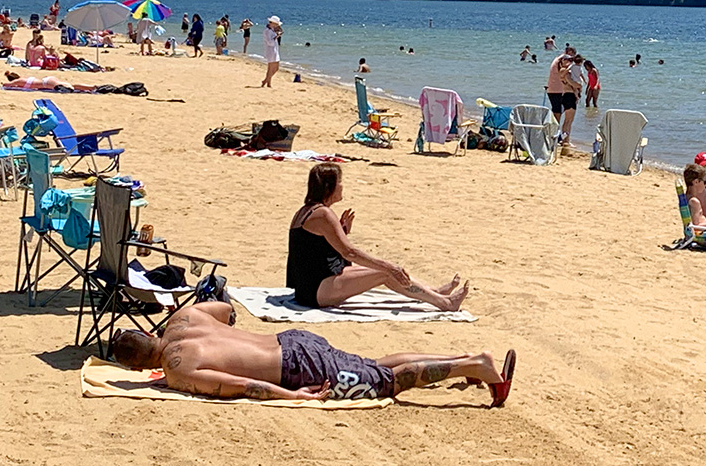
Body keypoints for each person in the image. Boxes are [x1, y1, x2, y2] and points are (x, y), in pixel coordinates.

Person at [109, 302, 514, 406]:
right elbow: (226, 311)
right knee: (373, 366)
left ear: (145, 367)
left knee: (385, 385)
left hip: (295, 369)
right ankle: (465, 359)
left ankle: (475, 365)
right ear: (148, 332)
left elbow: (237, 385)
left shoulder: (179, 371)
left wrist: (291, 395)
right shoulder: (182, 318)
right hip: (294, 340)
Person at [288, 164, 468, 311]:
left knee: (384, 269)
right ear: (329, 187)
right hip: (315, 291)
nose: (342, 186)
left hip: (309, 286)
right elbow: (349, 253)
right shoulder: (323, 214)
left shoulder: (307, 211)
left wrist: (343, 232)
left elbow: (315, 249)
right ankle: (445, 304)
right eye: (340, 182)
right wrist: (388, 266)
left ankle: (433, 292)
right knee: (385, 271)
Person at [545, 47, 579, 149]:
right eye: (570, 57)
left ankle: (556, 136)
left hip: (555, 90)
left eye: (572, 58)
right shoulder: (561, 62)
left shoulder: (560, 60)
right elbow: (565, 77)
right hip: (557, 91)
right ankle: (557, 137)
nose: (571, 60)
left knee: (558, 114)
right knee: (559, 115)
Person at [261, 16, 282, 88]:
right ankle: (267, 81)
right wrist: (277, 36)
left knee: (275, 67)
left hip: (274, 50)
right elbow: (269, 42)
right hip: (270, 50)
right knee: (271, 68)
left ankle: (267, 81)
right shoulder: (267, 31)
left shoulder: (272, 30)